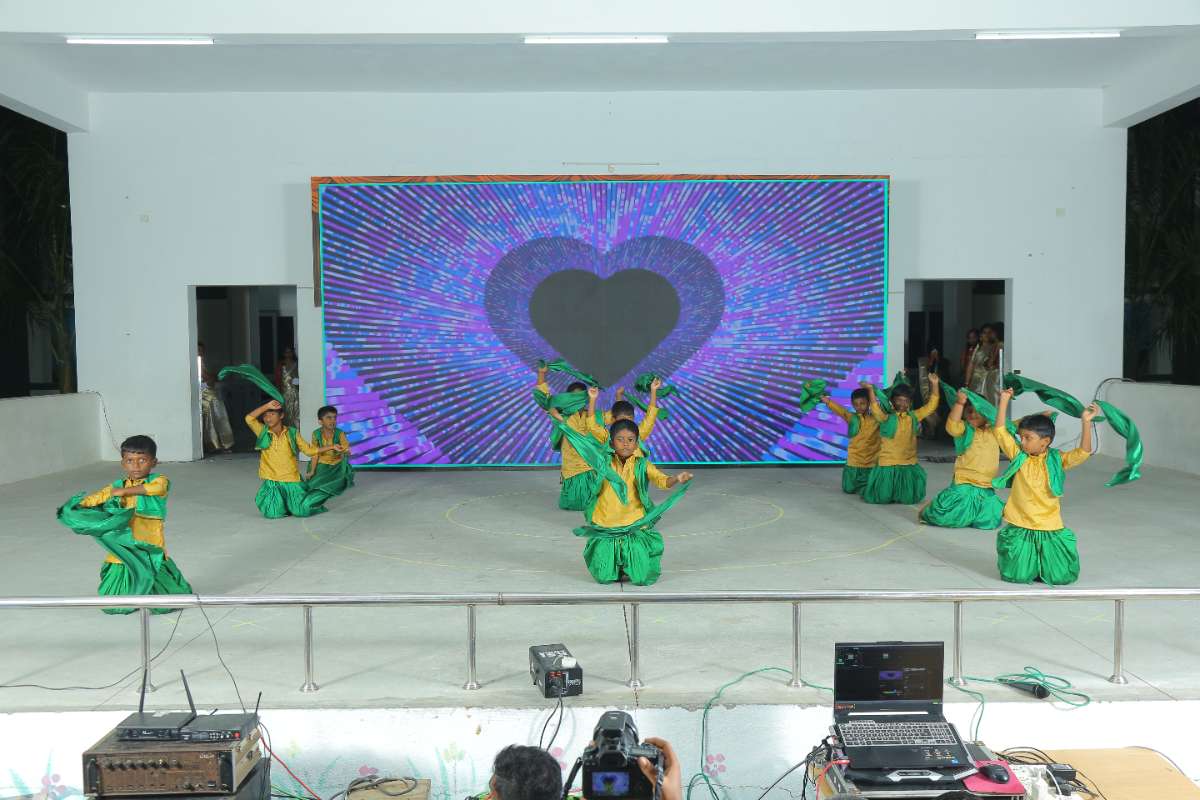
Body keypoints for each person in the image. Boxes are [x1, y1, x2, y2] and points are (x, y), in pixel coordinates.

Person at [63, 435, 193, 614]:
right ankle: (129, 597)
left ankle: (157, 595)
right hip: (124, 538)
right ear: (123, 463)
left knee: (150, 564)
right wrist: (77, 506)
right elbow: (99, 497)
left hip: (148, 538)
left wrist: (124, 492)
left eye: (142, 460)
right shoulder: (117, 486)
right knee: (115, 593)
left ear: (154, 462)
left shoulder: (160, 480)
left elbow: (156, 489)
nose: (136, 466)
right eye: (130, 461)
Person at [572, 407, 693, 586]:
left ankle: (630, 563)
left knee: (642, 578)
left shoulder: (642, 464)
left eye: (630, 440)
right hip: (607, 524)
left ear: (637, 444)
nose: (625, 444)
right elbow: (589, 433)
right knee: (604, 578)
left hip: (633, 524)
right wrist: (589, 403)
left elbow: (661, 480)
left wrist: (677, 478)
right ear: (611, 442)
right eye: (620, 440)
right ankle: (615, 566)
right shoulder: (602, 463)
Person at [993, 389, 1097, 585]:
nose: (1022, 442)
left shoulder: (1057, 459)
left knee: (1060, 577)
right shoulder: (1019, 455)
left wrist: (1086, 422)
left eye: (1028, 438)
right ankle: (1028, 564)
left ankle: (1040, 565)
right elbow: (999, 431)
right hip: (1021, 523)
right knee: (1016, 576)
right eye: (1021, 437)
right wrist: (1004, 400)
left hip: (1049, 525)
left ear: (1045, 442)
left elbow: (1083, 453)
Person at [919, 389, 1004, 529]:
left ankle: (973, 513)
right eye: (969, 411)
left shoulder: (995, 431)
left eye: (978, 411)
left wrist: (1004, 401)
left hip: (986, 485)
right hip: (964, 482)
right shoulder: (964, 429)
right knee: (946, 517)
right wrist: (959, 403)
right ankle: (932, 508)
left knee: (989, 522)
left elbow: (1012, 425)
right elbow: (951, 426)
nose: (973, 414)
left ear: (986, 413)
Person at [245, 399, 342, 518]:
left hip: (291, 478)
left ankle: (313, 496)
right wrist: (267, 406)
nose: (268, 418)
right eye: (265, 415)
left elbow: (309, 450)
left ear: (281, 415)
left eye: (272, 414)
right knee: (273, 514)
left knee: (302, 511)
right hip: (273, 480)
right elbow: (249, 419)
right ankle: (286, 505)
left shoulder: (292, 433)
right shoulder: (262, 431)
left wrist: (331, 446)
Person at [536, 364, 608, 511]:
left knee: (595, 503)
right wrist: (541, 374)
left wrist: (599, 399)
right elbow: (546, 400)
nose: (577, 402)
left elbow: (616, 416)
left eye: (580, 397)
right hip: (571, 467)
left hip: (591, 467)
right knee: (571, 503)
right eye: (573, 398)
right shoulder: (563, 416)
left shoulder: (595, 416)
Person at [861, 375, 940, 505]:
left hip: (907, 462)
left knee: (908, 499)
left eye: (906, 401)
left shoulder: (914, 416)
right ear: (892, 401)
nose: (902, 404)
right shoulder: (886, 418)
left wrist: (935, 384)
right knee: (882, 498)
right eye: (899, 400)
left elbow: (931, 406)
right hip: (888, 462)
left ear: (910, 402)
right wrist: (870, 390)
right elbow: (875, 408)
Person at [821, 388, 880, 494]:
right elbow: (841, 411)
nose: (859, 407)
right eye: (856, 404)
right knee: (849, 489)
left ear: (869, 403)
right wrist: (827, 401)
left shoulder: (877, 419)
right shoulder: (852, 418)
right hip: (854, 461)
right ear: (852, 404)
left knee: (871, 488)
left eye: (862, 403)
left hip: (871, 461)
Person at [307, 405, 355, 498]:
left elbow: (346, 448)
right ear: (320, 421)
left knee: (339, 482)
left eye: (334, 418)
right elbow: (314, 453)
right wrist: (312, 471)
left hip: (337, 463)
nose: (333, 421)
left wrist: (346, 451)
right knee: (313, 484)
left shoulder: (340, 433)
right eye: (329, 418)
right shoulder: (316, 434)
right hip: (322, 462)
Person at [198, 342, 234, 453]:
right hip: (205, 393)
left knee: (216, 417)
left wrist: (213, 377)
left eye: (202, 350)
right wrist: (213, 377)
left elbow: (210, 377)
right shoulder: (196, 362)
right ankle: (217, 444)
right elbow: (206, 377)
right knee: (216, 417)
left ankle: (219, 444)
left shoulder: (201, 361)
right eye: (198, 350)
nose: (200, 352)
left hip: (209, 392)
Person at [965, 325, 1001, 405]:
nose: (987, 335)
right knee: (973, 404)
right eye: (985, 332)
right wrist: (967, 383)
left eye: (989, 332)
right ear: (981, 335)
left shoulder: (995, 347)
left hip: (987, 381)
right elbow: (971, 365)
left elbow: (995, 365)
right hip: (975, 381)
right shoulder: (978, 347)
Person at [274, 346, 300, 429]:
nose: (288, 354)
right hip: (284, 393)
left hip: (295, 393)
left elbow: (300, 377)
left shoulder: (297, 364)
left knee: (296, 413)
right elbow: (278, 380)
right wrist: (278, 393)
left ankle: (296, 431)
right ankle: (286, 431)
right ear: (283, 354)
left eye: (290, 352)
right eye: (286, 352)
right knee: (286, 413)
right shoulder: (281, 365)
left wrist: (297, 382)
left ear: (292, 353)